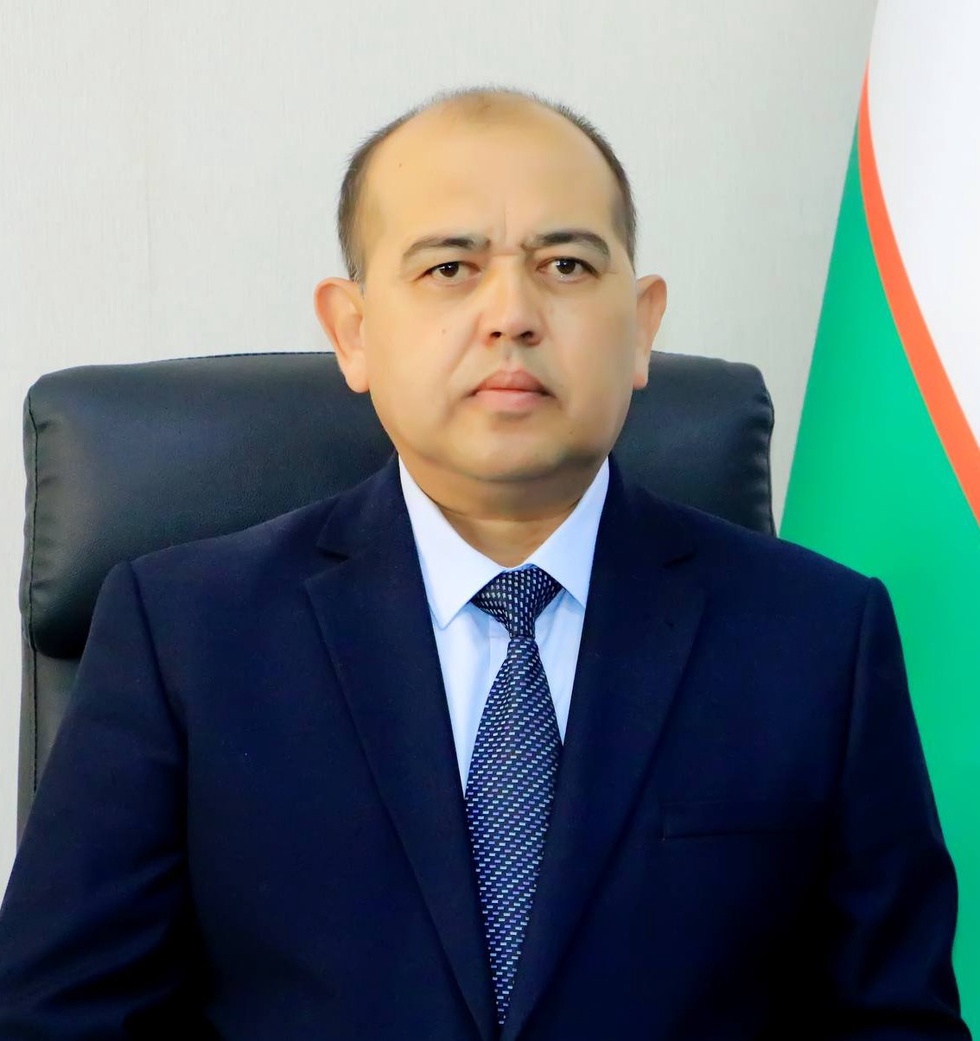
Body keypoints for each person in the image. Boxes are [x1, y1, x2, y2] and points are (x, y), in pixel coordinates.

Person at [0, 88, 969, 1040]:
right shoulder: (186, 631)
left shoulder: (814, 637)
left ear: (642, 326)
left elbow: (891, 1021)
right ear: (352, 331)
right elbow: (59, 1019)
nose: (511, 314)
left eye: (564, 264)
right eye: (450, 268)